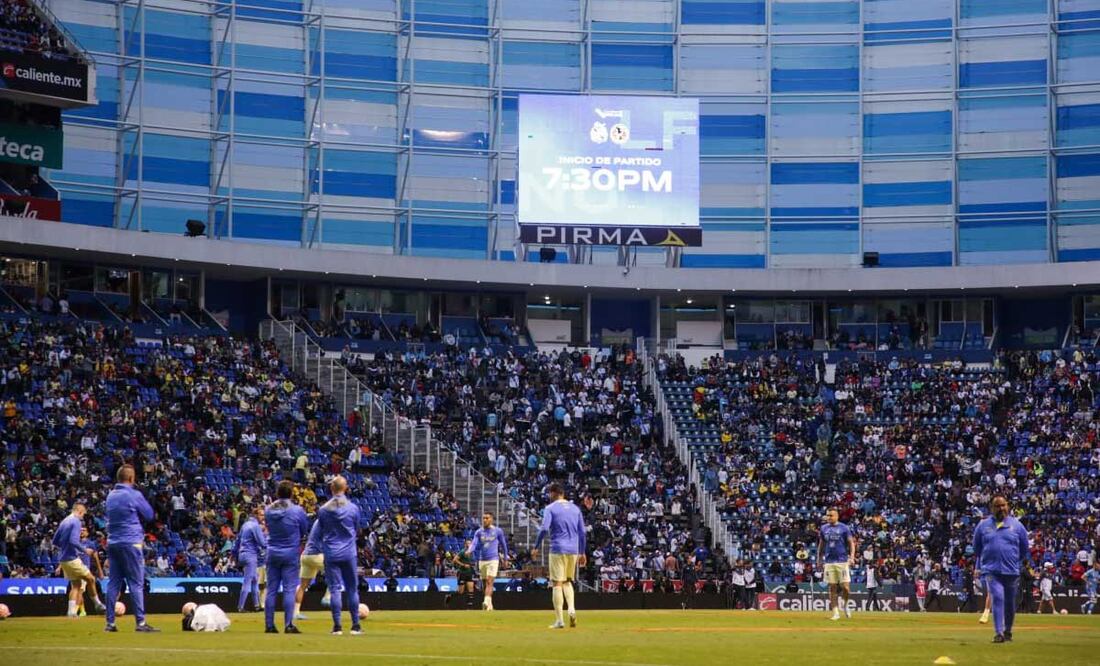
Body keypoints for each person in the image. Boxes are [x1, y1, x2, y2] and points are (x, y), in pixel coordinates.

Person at [104, 464, 158, 632]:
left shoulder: (111, 496)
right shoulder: (134, 494)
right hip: (131, 542)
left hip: (113, 542)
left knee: (113, 583)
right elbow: (149, 515)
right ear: (131, 479)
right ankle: (140, 623)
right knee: (135, 583)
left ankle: (110, 623)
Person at [972, 495, 1029, 643]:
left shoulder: (1017, 525)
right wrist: (983, 563)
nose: (1001, 508)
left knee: (1010, 603)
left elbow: (1024, 548)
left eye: (1003, 505)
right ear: (992, 508)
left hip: (1011, 571)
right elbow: (976, 547)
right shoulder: (983, 525)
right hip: (991, 570)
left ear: (1007, 506)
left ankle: (1008, 631)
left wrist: (1014, 560)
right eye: (998, 506)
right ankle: (999, 633)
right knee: (997, 597)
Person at [531, 482, 586, 629]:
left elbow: (544, 528)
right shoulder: (575, 509)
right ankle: (572, 611)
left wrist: (536, 547)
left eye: (550, 493)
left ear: (554, 493)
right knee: (568, 581)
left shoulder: (550, 508)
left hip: (558, 549)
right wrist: (582, 551)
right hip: (573, 550)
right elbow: (582, 532)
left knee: (557, 583)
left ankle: (560, 620)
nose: (549, 496)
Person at [317, 475, 362, 635]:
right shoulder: (353, 508)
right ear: (346, 488)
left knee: (334, 589)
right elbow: (357, 529)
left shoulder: (323, 510)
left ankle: (337, 627)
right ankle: (355, 625)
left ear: (331, 488)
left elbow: (321, 529)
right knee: (352, 588)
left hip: (331, 552)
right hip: (349, 552)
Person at [264, 480, 309, 634]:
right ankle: (288, 624)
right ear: (291, 493)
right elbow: (304, 529)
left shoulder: (268, 510)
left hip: (272, 551)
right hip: (290, 553)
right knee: (289, 589)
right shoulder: (297, 511)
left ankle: (269, 625)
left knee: (271, 590)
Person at [51, 503, 106, 617]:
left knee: (75, 585)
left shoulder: (64, 521)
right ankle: (97, 604)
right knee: (90, 579)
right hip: (72, 558)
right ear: (80, 511)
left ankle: (71, 612)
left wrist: (65, 548)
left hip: (63, 559)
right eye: (83, 514)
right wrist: (84, 550)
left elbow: (55, 541)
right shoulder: (76, 521)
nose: (83, 517)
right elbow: (73, 541)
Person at [817, 508, 855, 621]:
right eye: (828, 515)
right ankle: (835, 613)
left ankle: (846, 604)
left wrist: (852, 557)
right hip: (829, 562)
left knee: (846, 588)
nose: (829, 517)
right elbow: (821, 544)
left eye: (831, 515)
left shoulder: (844, 528)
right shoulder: (824, 529)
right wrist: (819, 559)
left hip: (842, 561)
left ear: (837, 516)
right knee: (832, 588)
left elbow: (851, 543)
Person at [467, 512, 509, 611]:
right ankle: (489, 605)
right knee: (485, 584)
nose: (485, 520)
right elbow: (474, 543)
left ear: (491, 519)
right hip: (482, 560)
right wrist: (469, 550)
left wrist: (506, 559)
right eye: (483, 518)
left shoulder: (498, 531)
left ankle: (485, 601)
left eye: (487, 518)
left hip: (493, 559)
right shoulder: (479, 532)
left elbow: (504, 545)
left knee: (490, 582)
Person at [295, 519, 330, 621]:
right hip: (316, 555)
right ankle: (327, 597)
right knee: (337, 571)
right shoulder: (327, 522)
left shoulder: (318, 521)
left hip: (305, 556)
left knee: (303, 585)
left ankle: (296, 612)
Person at [234, 508, 267, 613]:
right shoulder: (255, 526)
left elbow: (237, 541)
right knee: (247, 581)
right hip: (250, 555)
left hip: (242, 555)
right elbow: (262, 543)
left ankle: (257, 605)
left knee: (254, 580)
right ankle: (240, 607)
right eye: (261, 515)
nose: (263, 517)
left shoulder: (245, 525)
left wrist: (234, 555)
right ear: (256, 515)